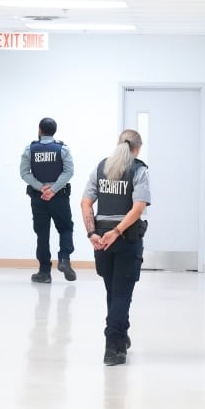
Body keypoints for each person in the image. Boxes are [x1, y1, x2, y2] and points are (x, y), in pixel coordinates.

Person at [81, 129, 150, 366]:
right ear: (137, 148)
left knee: (113, 292)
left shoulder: (101, 168)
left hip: (101, 242)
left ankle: (120, 337)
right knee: (122, 294)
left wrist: (92, 233)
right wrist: (118, 231)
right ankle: (112, 349)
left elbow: (85, 202)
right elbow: (138, 208)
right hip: (126, 240)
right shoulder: (139, 170)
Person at [20, 117, 76, 284]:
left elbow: (24, 173)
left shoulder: (30, 149)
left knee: (42, 234)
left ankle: (44, 272)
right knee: (65, 228)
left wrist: (40, 187)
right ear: (54, 131)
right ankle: (64, 259)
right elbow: (69, 172)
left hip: (39, 198)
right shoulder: (62, 149)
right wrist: (53, 189)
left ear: (39, 130)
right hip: (60, 197)